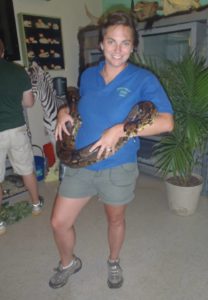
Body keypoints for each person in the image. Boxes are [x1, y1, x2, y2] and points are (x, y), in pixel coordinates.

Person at [49, 10, 174, 289]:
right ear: (101, 44)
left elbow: (166, 122)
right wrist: (62, 112)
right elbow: (79, 108)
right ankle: (68, 262)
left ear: (133, 46)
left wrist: (121, 129)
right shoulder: (88, 75)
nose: (118, 49)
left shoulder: (143, 79)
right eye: (112, 41)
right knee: (59, 222)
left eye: (125, 43)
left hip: (119, 165)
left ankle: (114, 260)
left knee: (115, 219)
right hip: (80, 166)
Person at [0, 37, 44, 235]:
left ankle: (0, 222)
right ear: (3, 52)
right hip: (16, 129)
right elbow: (28, 103)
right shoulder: (18, 71)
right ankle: (36, 205)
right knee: (26, 170)